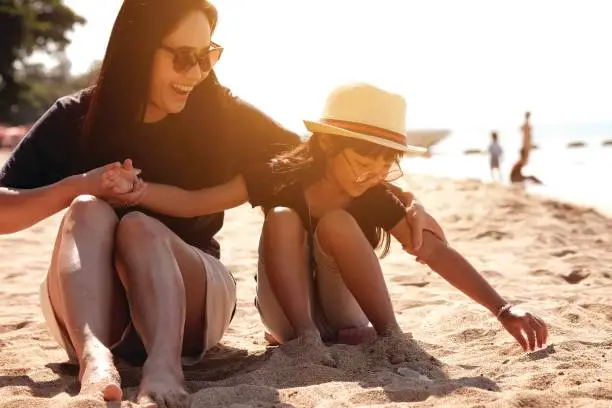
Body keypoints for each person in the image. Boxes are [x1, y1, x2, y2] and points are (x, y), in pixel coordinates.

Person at [0, 1, 439, 406]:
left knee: (140, 226)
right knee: (85, 206)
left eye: (206, 55)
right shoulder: (77, 117)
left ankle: (165, 364)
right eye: (182, 57)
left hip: (194, 300)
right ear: (138, 48)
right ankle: (94, 361)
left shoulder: (220, 115)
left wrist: (399, 196)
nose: (196, 72)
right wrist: (83, 183)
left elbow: (314, 159)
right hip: (94, 313)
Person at [107, 83, 549, 366]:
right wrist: (139, 192)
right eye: (358, 161)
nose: (367, 176)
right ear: (326, 145)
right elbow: (196, 200)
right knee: (282, 218)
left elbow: (434, 253)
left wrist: (502, 308)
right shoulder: (278, 176)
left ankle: (393, 336)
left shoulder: (376, 197)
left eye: (381, 166)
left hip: (349, 316)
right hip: (288, 316)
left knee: (337, 222)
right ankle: (306, 340)